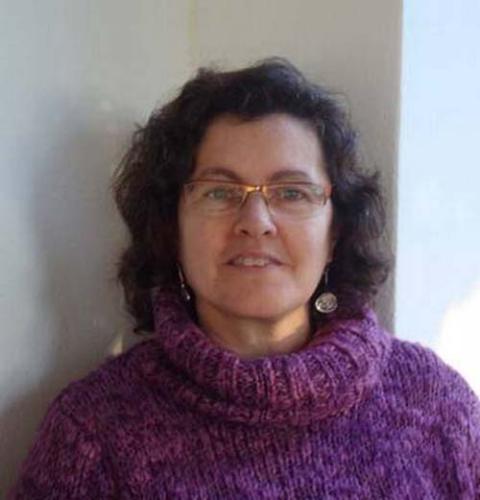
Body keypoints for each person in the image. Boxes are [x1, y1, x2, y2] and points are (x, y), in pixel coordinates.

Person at [10, 59, 480, 499]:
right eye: (219, 192)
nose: (256, 221)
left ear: (336, 231)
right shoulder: (93, 435)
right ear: (171, 227)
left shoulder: (435, 406)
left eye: (291, 192)